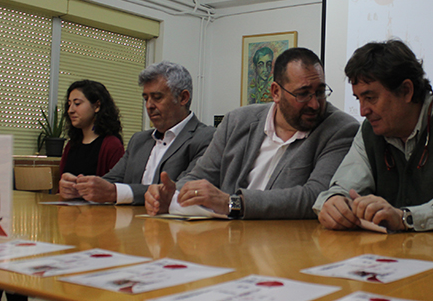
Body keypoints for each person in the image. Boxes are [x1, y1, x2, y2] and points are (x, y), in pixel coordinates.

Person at [0, 80, 125, 301]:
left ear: (97, 106)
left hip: (94, 236)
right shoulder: (71, 145)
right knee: (9, 248)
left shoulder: (111, 145)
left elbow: (115, 192)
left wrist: (88, 191)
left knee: (14, 254)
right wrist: (65, 188)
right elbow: (60, 191)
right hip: (64, 226)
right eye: (69, 104)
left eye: (77, 103)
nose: (71, 109)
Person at [313, 39, 433, 232]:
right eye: (359, 99)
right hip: (396, 257)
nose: (363, 111)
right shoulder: (370, 132)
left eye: (370, 98)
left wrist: (406, 218)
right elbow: (341, 189)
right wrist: (334, 203)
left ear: (406, 91)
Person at [145, 47, 359, 219]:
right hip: (223, 239)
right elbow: (200, 175)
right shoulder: (237, 121)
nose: (314, 103)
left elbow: (315, 196)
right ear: (275, 92)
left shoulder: (340, 129)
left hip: (287, 244)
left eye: (320, 92)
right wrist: (170, 194)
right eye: (303, 94)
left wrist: (232, 203)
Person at [58, 61, 215, 206]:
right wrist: (79, 188)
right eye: (146, 98)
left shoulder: (206, 138)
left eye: (157, 97)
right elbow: (111, 181)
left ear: (183, 98)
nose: (149, 105)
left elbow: (183, 190)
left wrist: (116, 193)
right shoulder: (139, 140)